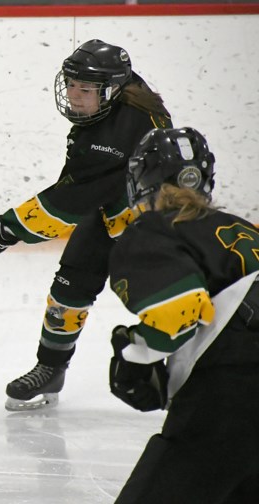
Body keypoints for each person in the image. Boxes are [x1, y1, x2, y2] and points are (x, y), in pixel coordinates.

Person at [0, 39, 172, 411]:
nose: (73, 95)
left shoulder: (121, 131)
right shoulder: (119, 96)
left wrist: (1, 231)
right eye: (71, 84)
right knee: (70, 286)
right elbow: (80, 192)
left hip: (147, 228)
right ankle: (51, 367)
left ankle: (197, 371)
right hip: (110, 209)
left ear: (111, 90)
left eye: (84, 89)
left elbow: (68, 202)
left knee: (164, 301)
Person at [106, 127, 259, 503]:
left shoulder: (154, 231)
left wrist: (135, 356)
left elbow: (177, 313)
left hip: (232, 394)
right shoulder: (242, 229)